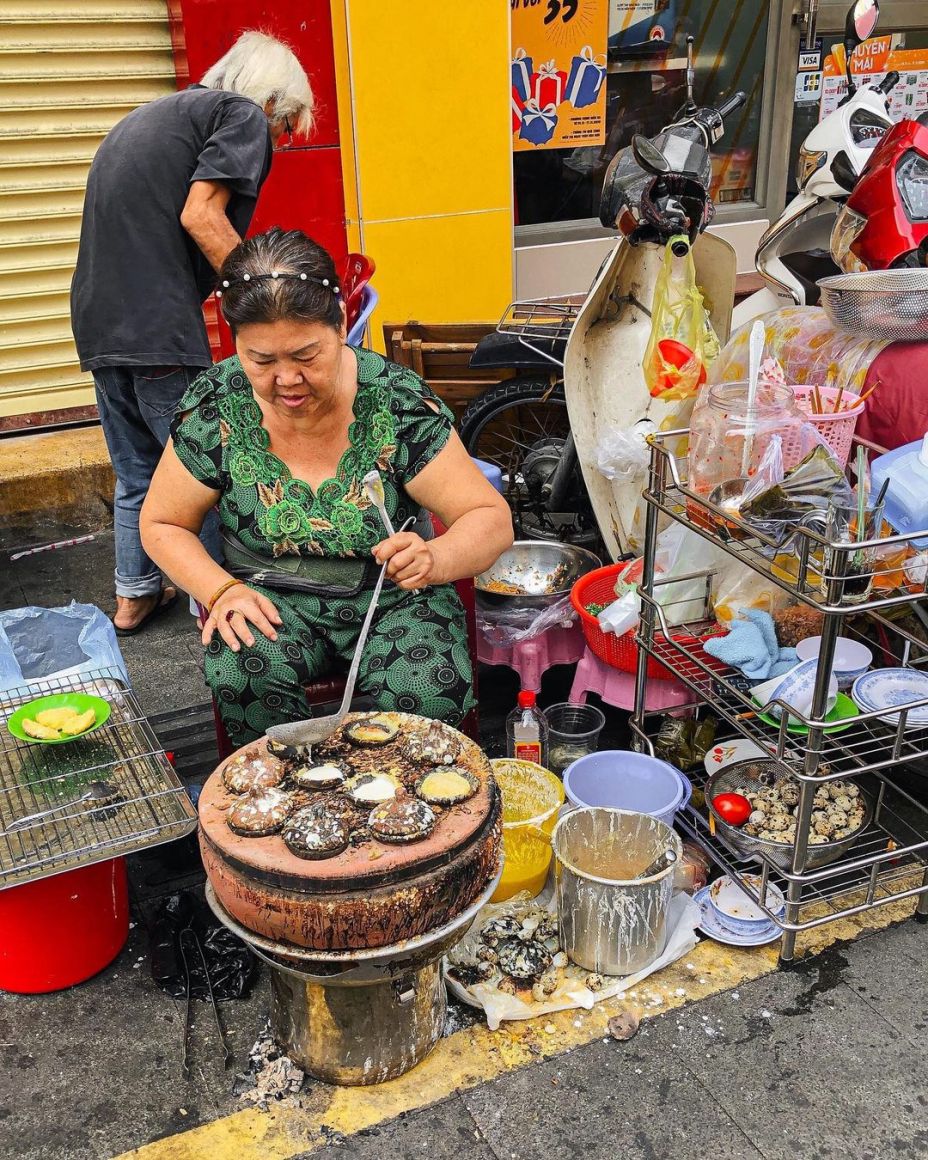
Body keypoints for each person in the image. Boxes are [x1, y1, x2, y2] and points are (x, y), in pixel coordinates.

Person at [140, 228, 514, 745]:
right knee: (243, 670)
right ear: (236, 344)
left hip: (393, 596)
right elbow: (162, 522)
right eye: (262, 361)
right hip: (271, 595)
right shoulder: (216, 405)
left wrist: (434, 557)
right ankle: (282, 809)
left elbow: (488, 518)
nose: (287, 380)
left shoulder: (394, 401)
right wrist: (220, 589)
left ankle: (411, 808)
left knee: (426, 690)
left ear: (341, 325)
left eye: (306, 355)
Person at [70, 32, 314, 636]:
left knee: (138, 470)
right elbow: (201, 215)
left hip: (101, 326)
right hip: (156, 327)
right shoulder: (240, 116)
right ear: (275, 104)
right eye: (285, 132)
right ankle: (219, 600)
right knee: (203, 467)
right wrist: (264, 298)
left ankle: (133, 597)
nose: (275, 144)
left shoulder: (155, 116)